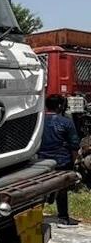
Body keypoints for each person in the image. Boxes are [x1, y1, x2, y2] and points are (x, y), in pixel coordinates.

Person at [38, 94, 80, 225]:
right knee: (62, 190)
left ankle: (37, 216)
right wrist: (74, 162)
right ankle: (63, 217)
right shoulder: (66, 122)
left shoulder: (39, 121)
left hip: (41, 162)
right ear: (60, 106)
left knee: (39, 190)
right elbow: (74, 145)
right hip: (62, 161)